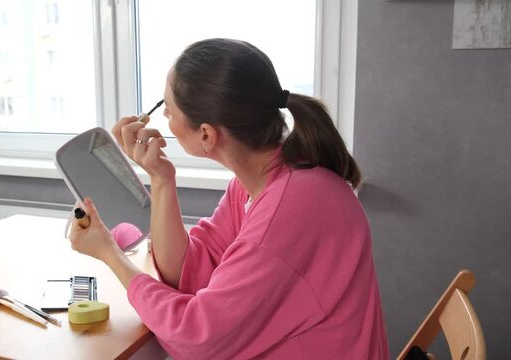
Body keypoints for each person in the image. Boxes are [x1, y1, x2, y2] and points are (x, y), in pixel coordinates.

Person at [69, 38, 389, 359]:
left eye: (168, 109)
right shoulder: (265, 180)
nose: (164, 114)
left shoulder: (290, 208)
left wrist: (110, 253)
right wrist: (161, 179)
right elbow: (189, 273)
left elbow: (197, 337)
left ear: (207, 134)